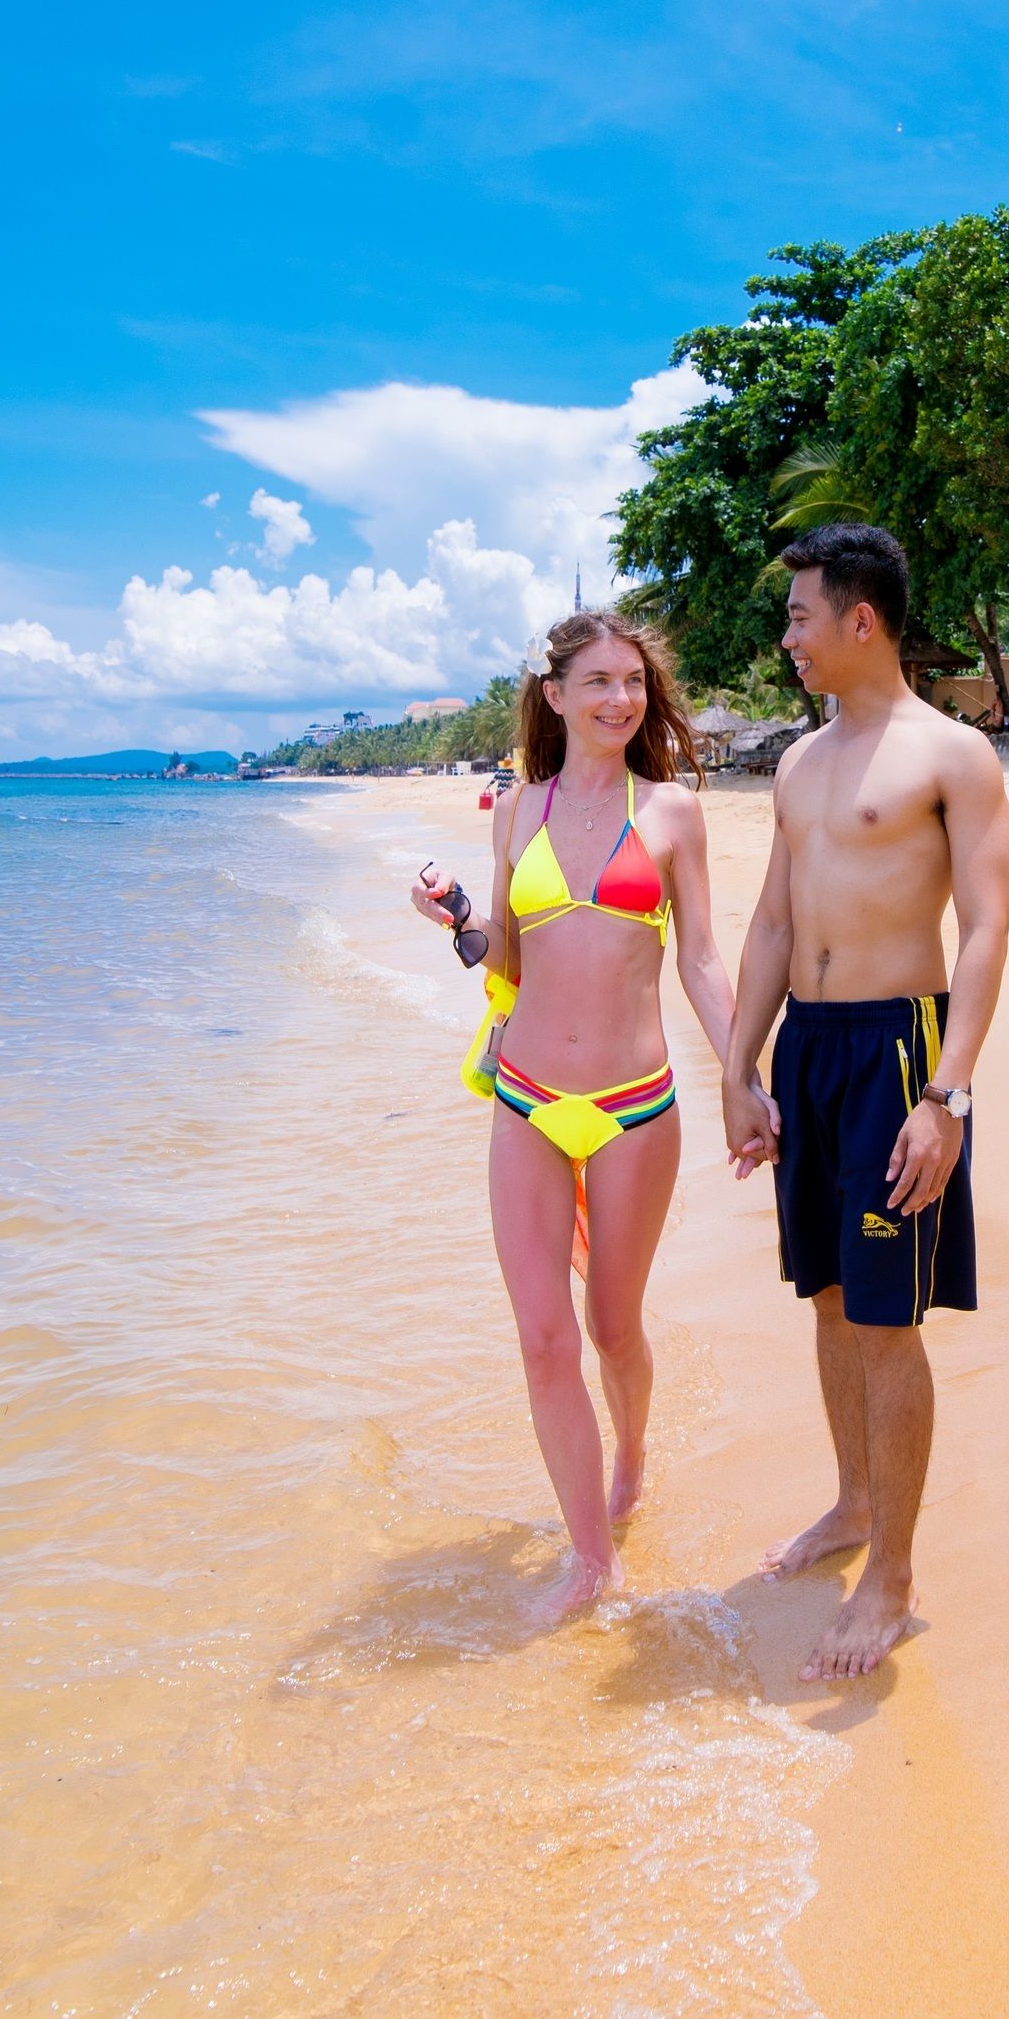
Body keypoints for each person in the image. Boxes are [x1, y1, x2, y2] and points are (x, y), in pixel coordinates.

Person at [722, 523, 1009, 1682]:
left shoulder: (953, 754)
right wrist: (741, 1068)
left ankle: (893, 1577)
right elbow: (772, 923)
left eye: (800, 615)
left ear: (860, 619)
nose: (786, 636)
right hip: (811, 1048)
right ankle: (852, 1504)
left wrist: (948, 1091)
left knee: (888, 1316)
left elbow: (987, 928)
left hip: (904, 1050)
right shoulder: (798, 764)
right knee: (833, 1296)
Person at [410, 611, 736, 1619]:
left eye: (632, 682)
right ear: (555, 696)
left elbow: (700, 960)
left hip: (637, 1109)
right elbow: (510, 956)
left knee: (610, 1323)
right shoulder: (516, 812)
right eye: (596, 682)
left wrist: (745, 1075)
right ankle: (593, 1559)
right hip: (529, 1102)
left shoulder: (674, 812)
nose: (618, 700)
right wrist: (460, 918)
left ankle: (632, 1443)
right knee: (545, 1336)